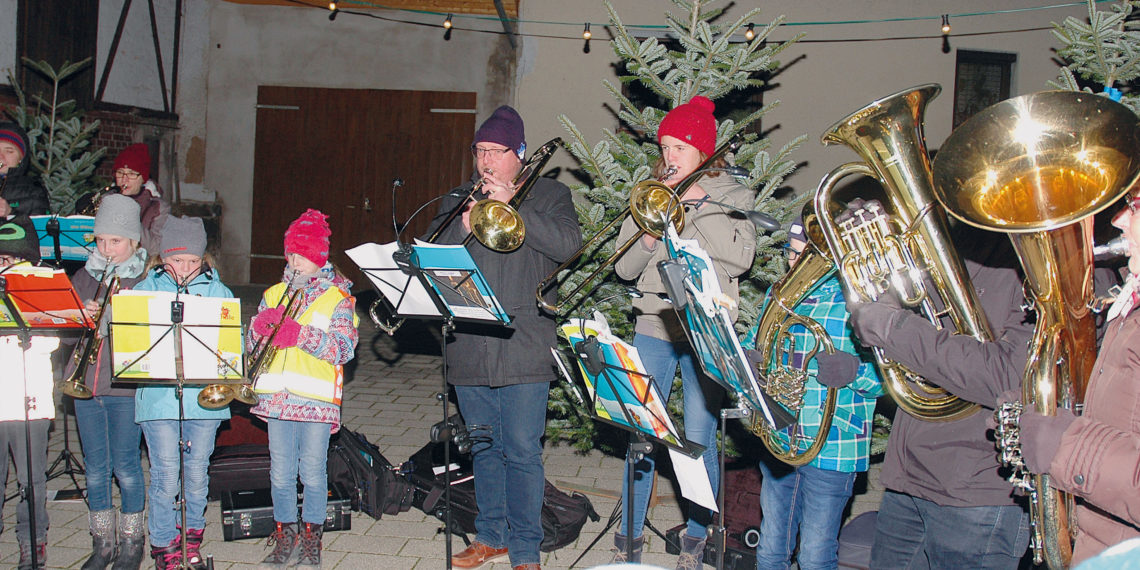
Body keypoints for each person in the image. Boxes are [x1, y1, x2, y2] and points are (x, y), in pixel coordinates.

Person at [421, 105, 580, 570]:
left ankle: (526, 548)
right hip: (469, 343)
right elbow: (427, 255)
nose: (486, 160)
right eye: (480, 151)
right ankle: (491, 536)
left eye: (496, 151)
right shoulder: (461, 197)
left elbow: (568, 246)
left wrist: (516, 205)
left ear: (520, 154)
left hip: (523, 344)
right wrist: (461, 224)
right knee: (483, 446)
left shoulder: (550, 195)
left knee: (523, 450)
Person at [841, 206, 1036, 569]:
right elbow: (918, 328)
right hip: (910, 474)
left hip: (977, 491)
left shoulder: (1041, 259)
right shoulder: (958, 237)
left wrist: (893, 328)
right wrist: (878, 265)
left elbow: (1010, 376)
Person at [612, 95, 757, 568]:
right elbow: (624, 269)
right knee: (641, 431)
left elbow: (741, 259)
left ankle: (697, 536)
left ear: (703, 152)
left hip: (704, 327)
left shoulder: (733, 195)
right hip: (654, 321)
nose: (670, 156)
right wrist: (647, 234)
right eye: (666, 147)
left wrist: (700, 206)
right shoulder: (652, 192)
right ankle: (628, 538)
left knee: (697, 436)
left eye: (680, 147)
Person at [741, 219, 884, 570]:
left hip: (833, 443)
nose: (795, 264)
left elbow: (889, 379)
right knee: (770, 548)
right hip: (781, 436)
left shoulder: (861, 301)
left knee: (815, 555)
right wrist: (749, 359)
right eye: (791, 254)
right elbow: (753, 340)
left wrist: (856, 371)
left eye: (805, 256)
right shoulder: (779, 295)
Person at [1008, 193, 1140, 565]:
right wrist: (1044, 413)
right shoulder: (1130, 303)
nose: (1118, 221)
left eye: (1134, 207)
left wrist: (1066, 444)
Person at [250, 209, 358, 570]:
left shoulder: (337, 298)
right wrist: (257, 331)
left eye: (304, 255)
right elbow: (252, 349)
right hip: (277, 400)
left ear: (320, 257)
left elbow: (343, 348)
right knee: (280, 472)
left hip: (315, 401)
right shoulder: (273, 293)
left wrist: (299, 335)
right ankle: (285, 534)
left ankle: (312, 537)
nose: (296, 262)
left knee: (312, 472)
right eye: (292, 254)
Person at [131, 216, 232, 570]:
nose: (186, 269)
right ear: (162, 258)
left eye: (193, 261)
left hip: (204, 401)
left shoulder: (218, 292)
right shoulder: (144, 290)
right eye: (177, 261)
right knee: (165, 473)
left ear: (204, 258)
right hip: (158, 398)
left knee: (197, 473)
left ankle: (190, 538)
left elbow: (229, 348)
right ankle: (163, 543)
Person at [69, 194, 150, 570]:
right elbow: (65, 337)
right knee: (95, 466)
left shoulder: (144, 280)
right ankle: (102, 543)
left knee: (126, 465)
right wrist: (78, 319)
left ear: (133, 241)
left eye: (115, 241)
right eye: (101, 240)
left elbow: (148, 336)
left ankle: (133, 542)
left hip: (123, 386)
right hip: (85, 383)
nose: (106, 249)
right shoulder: (84, 276)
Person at [0, 216, 57, 569]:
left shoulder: (42, 289)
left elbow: (51, 341)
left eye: (10, 259)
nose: (3, 266)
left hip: (29, 398)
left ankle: (32, 541)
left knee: (30, 480)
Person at [111, 143, 170, 254]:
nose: (124, 179)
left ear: (143, 178)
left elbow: (155, 248)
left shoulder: (158, 208)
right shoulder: (107, 199)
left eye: (131, 174)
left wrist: (130, 220)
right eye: (120, 172)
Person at [0, 123, 48, 217]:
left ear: (21, 158)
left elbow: (39, 224)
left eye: (9, 151)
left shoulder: (34, 190)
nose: (1, 157)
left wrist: (10, 213)